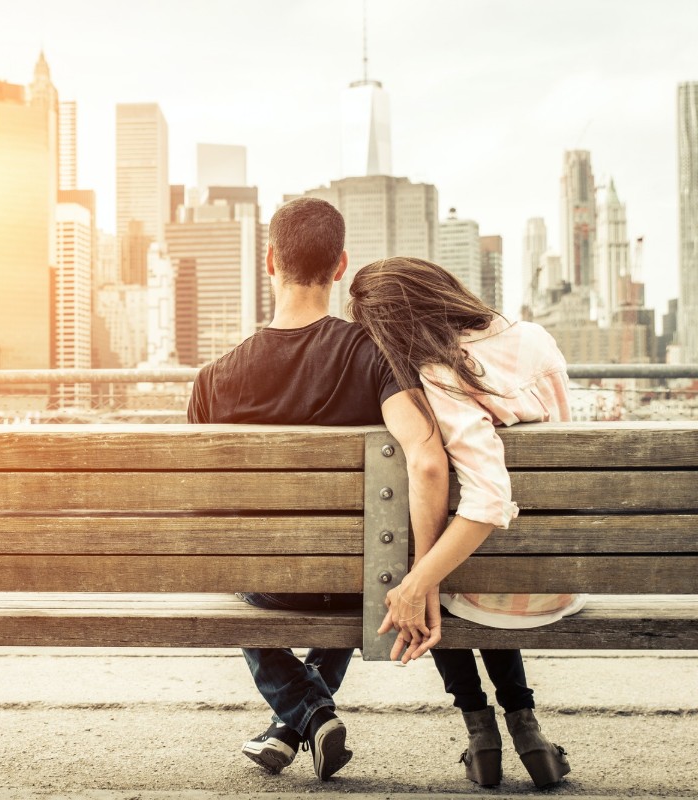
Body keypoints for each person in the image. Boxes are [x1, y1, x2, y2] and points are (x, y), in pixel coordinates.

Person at [187, 199, 448, 781]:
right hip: (354, 580)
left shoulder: (212, 380)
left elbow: (205, 514)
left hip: (269, 586)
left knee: (244, 570)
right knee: (355, 564)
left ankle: (302, 716)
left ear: (270, 262)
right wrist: (422, 576)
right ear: (340, 267)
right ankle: (304, 717)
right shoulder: (375, 355)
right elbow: (428, 463)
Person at [348, 256, 583, 789]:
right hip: (558, 574)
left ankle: (482, 734)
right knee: (459, 574)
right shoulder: (534, 337)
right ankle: (526, 728)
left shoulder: (442, 371)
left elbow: (489, 499)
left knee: (433, 586)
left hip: (498, 585)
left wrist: (417, 580)